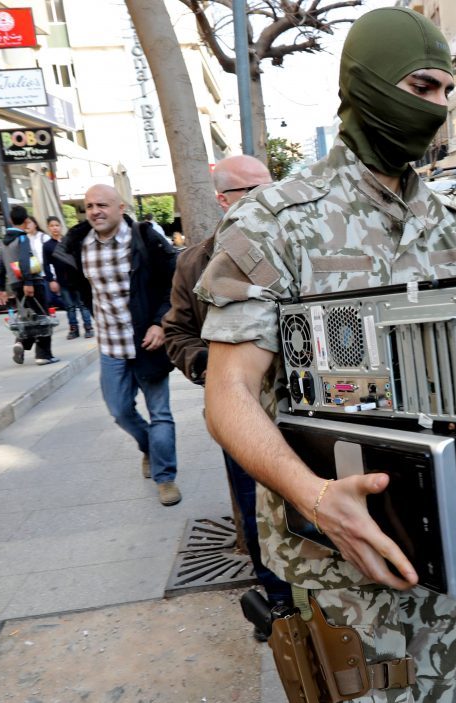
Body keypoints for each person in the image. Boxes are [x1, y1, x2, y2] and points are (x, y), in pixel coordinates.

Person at [195, 8, 456, 700]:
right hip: (333, 564)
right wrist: (319, 498)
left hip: (441, 546)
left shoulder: (448, 223)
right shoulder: (275, 221)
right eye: (422, 88)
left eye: (448, 92)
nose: (438, 109)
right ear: (364, 83)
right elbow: (228, 393)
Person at [162, 153, 290, 636]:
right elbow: (177, 333)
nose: (267, 200)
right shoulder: (195, 262)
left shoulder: (299, 246)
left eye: (270, 188)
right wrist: (216, 369)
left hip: (309, 408)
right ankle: (278, 602)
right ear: (224, 200)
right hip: (246, 414)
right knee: (256, 507)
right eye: (252, 193)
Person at [53, 185, 181, 506]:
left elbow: (172, 283)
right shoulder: (79, 245)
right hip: (110, 344)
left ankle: (165, 478)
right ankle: (150, 446)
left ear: (120, 207)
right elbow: (83, 290)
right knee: (120, 410)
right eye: (89, 205)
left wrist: (160, 322)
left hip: (147, 342)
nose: (95, 211)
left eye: (102, 205)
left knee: (160, 413)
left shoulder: (145, 239)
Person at [0, 205, 58, 365]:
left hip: (15, 284)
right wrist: (29, 282)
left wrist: (1, 288)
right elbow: (24, 261)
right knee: (42, 317)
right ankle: (44, 355)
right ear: (26, 221)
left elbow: (1, 267)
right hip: (31, 283)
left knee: (26, 317)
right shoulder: (22, 238)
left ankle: (20, 343)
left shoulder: (3, 242)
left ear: (10, 220)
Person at [43, 215, 94, 340]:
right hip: (62, 281)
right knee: (69, 307)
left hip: (77, 278)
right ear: (48, 228)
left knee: (83, 304)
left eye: (57, 225)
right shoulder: (47, 246)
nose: (55, 228)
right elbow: (46, 264)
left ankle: (88, 327)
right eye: (52, 226)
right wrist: (51, 280)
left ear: (61, 226)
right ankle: (73, 329)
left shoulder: (69, 240)